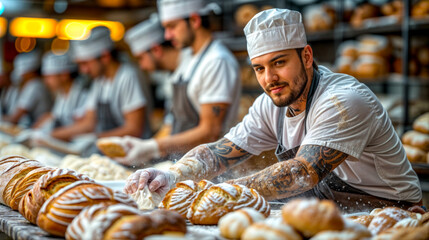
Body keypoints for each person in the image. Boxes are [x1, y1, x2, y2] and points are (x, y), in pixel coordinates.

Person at [124, 8, 423, 213]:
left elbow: (301, 172)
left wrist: (215, 192)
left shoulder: (342, 101)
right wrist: (172, 175)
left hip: (389, 217)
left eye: (279, 63)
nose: (269, 79)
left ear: (306, 56)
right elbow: (218, 152)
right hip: (335, 216)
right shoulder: (271, 105)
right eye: (259, 68)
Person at [108, 0, 241, 167]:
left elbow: (210, 132)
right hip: (187, 164)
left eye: (172, 26)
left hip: (213, 169)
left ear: (194, 20)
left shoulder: (217, 61)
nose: (167, 36)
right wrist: (142, 148)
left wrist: (152, 147)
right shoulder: (188, 60)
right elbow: (173, 124)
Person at [50, 26, 151, 141]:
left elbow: (134, 129)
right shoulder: (99, 82)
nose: (84, 70)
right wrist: (51, 135)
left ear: (105, 56)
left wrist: (95, 138)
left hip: (134, 153)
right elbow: (89, 123)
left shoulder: (127, 77)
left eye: (86, 63)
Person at [32, 52, 88, 130]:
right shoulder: (62, 93)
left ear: (64, 75)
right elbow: (56, 116)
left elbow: (81, 127)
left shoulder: (83, 94)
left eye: (49, 77)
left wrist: (50, 135)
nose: (46, 81)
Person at [3, 51, 52, 127]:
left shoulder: (34, 85)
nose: (21, 75)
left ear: (31, 71)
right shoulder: (32, 84)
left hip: (38, 129)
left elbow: (15, 118)